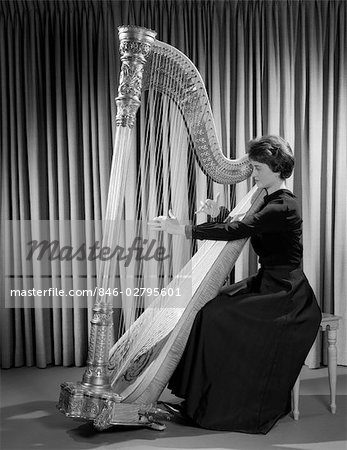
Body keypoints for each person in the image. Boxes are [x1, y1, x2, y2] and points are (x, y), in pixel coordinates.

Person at [149, 135, 322, 434]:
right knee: (207, 310)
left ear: (277, 168)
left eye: (257, 168)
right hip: (267, 283)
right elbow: (241, 225)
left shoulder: (283, 206)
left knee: (216, 317)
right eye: (253, 167)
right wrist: (217, 213)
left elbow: (240, 229)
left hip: (286, 294)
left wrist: (185, 230)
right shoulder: (268, 200)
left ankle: (215, 404)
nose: (253, 174)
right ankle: (198, 399)